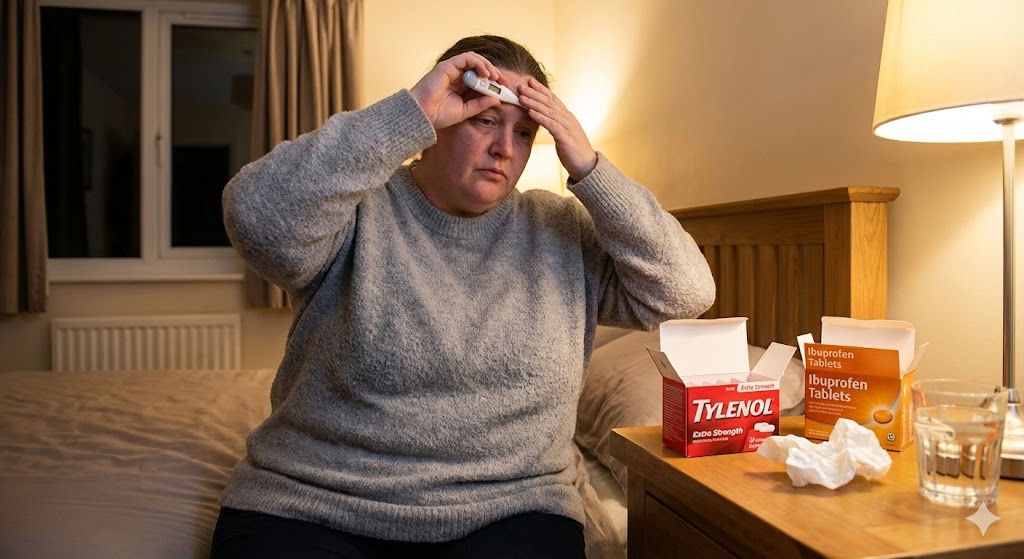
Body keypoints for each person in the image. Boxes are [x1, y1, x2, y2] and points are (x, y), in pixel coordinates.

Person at [210, 34, 715, 559]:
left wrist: (589, 166)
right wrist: (407, 114)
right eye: (483, 121)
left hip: (511, 508)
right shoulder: (354, 210)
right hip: (316, 499)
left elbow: (686, 291)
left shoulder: (561, 229)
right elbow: (256, 215)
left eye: (525, 132)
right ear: (440, 120)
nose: (505, 148)